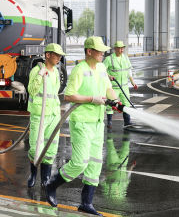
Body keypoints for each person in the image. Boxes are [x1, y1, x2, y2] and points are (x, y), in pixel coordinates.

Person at [45, 36, 118, 216]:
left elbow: (108, 88)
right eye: (99, 50)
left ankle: (86, 203)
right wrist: (92, 99)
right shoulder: (80, 69)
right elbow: (69, 96)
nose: (103, 53)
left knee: (95, 164)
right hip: (82, 122)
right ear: (89, 51)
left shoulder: (101, 68)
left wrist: (114, 98)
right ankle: (51, 185)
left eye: (103, 50)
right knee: (80, 162)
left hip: (98, 122)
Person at [27, 43, 65, 188]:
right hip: (39, 114)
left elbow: (55, 93)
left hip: (54, 114)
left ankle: (45, 178)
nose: (59, 58)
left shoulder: (55, 71)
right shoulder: (36, 70)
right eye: (57, 55)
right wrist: (39, 76)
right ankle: (33, 175)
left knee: (51, 148)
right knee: (35, 148)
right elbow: (31, 90)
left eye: (60, 55)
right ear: (48, 55)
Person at [104, 41, 137, 129]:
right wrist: (108, 76)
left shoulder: (125, 58)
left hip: (124, 86)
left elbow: (129, 70)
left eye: (122, 48)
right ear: (115, 49)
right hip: (114, 87)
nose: (121, 50)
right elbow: (102, 70)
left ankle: (127, 122)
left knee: (126, 103)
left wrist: (132, 82)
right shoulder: (109, 59)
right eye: (119, 48)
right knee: (111, 104)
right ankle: (109, 122)